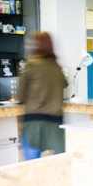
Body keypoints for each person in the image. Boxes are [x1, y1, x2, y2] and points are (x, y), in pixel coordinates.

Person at [17, 32, 67, 160]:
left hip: (34, 122)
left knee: (31, 165)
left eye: (31, 43)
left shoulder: (31, 65)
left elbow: (20, 96)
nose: (28, 46)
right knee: (59, 162)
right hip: (55, 122)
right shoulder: (57, 68)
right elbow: (64, 86)